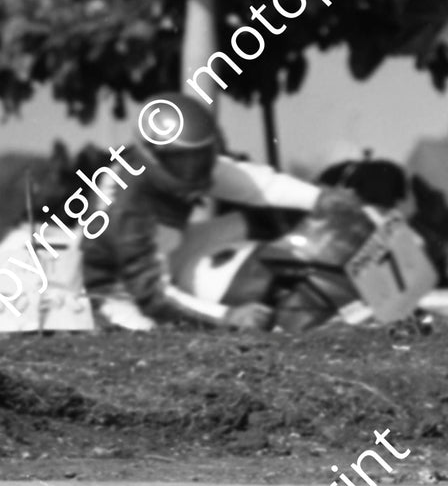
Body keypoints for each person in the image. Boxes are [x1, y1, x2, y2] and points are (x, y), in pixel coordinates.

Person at [81, 91, 360, 331]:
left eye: (201, 155)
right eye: (182, 160)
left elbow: (256, 185)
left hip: (169, 250)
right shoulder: (127, 207)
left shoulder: (190, 167)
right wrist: (227, 317)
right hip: (118, 295)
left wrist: (320, 197)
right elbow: (152, 296)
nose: (195, 169)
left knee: (265, 220)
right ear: (152, 154)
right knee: (162, 345)